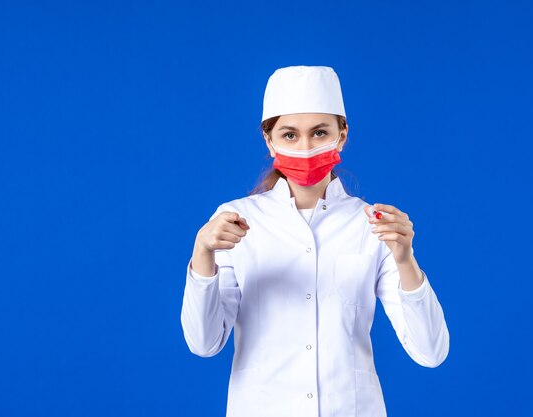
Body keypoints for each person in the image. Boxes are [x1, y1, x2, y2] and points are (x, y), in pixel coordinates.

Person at [180, 65, 449, 417]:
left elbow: (431, 351)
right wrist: (203, 255)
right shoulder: (235, 220)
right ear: (268, 139)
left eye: (320, 132)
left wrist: (405, 259)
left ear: (342, 135)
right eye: (290, 135)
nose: (305, 148)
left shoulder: (371, 224)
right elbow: (204, 343)